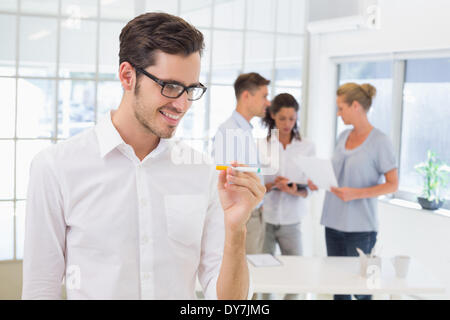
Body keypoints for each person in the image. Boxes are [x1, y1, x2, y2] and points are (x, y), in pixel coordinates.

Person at [22, 12, 265, 300]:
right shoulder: (55, 168)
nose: (182, 104)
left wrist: (236, 231)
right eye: (171, 86)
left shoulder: (202, 173)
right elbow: (41, 288)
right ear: (127, 76)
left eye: (191, 89)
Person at [308, 83, 399, 300]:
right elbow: (336, 174)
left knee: (362, 290)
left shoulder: (380, 141)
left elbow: (392, 184)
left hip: (360, 228)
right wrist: (318, 180)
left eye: (341, 108)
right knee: (339, 289)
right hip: (333, 223)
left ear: (355, 105)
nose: (338, 114)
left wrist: (355, 194)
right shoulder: (343, 136)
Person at [259, 93, 315, 300]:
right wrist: (274, 184)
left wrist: (293, 189)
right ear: (273, 115)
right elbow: (256, 184)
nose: (287, 124)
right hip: (266, 218)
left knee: (297, 274)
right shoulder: (261, 145)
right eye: (282, 118)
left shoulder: (307, 146)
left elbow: (307, 188)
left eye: (292, 119)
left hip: (292, 219)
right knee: (264, 273)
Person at [212, 73, 271, 255]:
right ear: (246, 96)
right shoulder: (229, 131)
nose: (267, 103)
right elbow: (224, 178)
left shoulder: (244, 130)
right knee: (245, 274)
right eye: (264, 96)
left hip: (255, 213)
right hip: (245, 215)